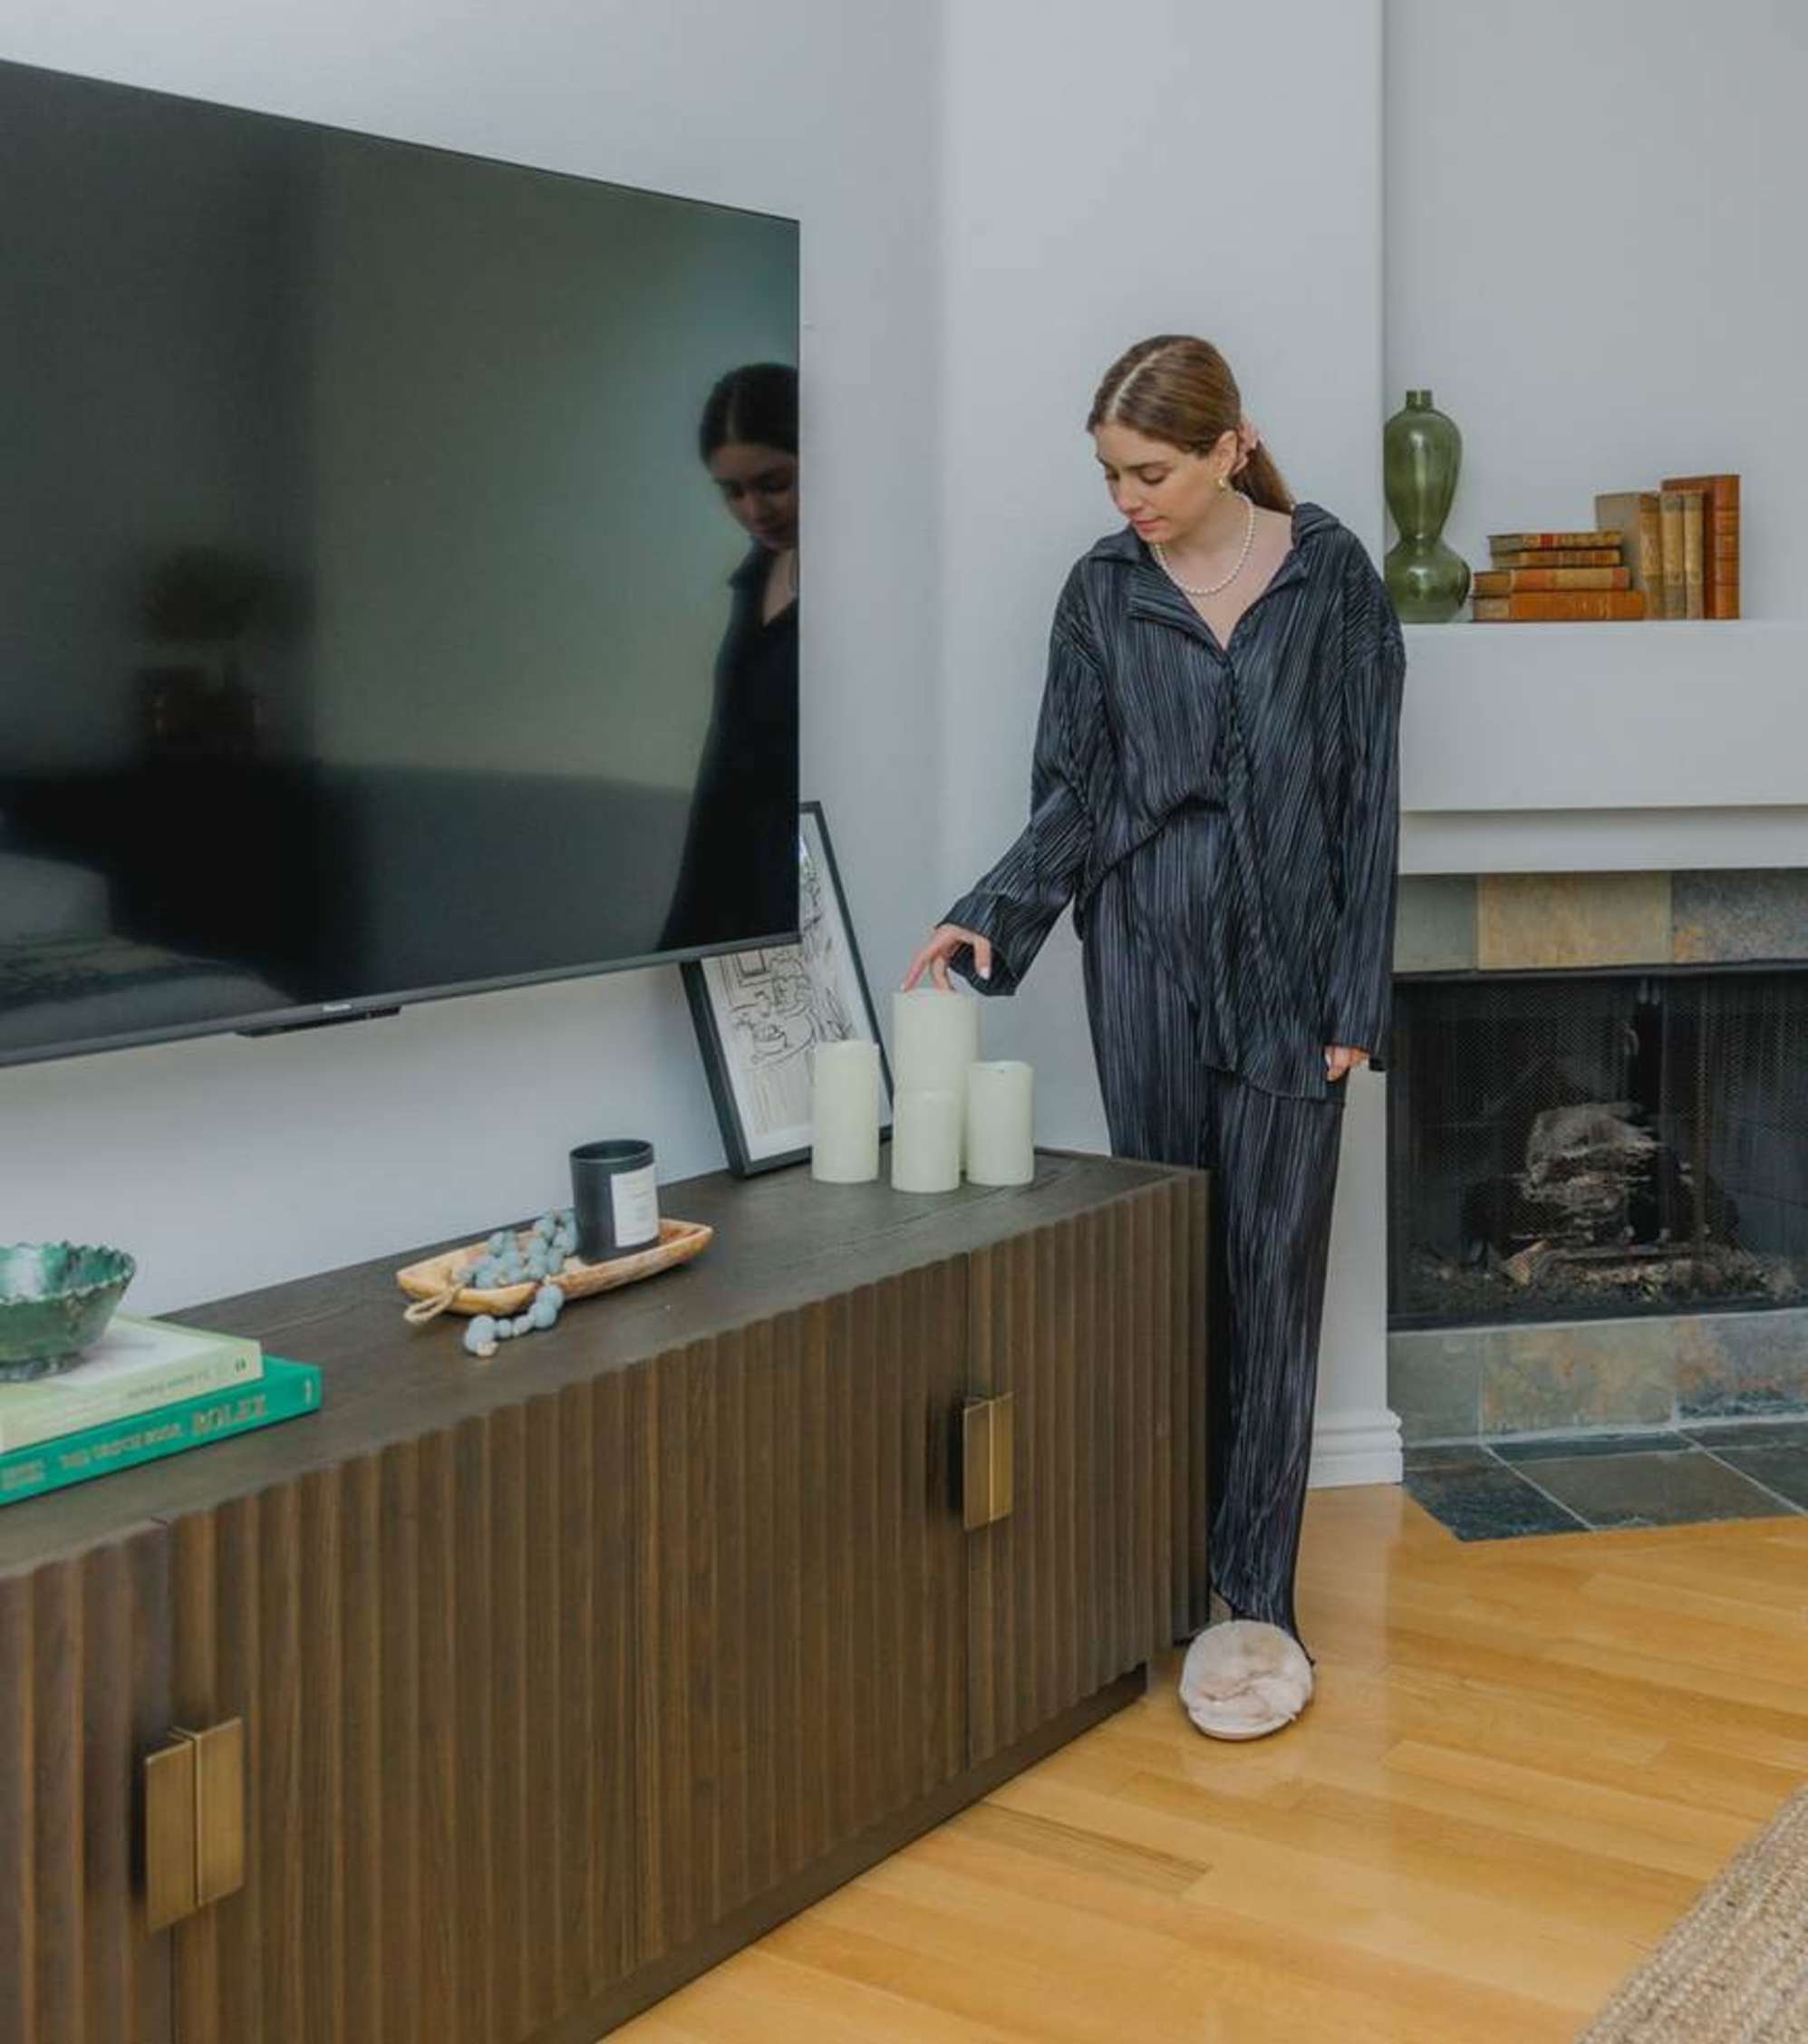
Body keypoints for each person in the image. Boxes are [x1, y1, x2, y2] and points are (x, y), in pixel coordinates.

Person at [903, 334, 1406, 1738]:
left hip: (1296, 982)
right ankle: (1172, 1589)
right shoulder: (1100, 593)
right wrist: (986, 914)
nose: (1128, 498)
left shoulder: (1331, 576)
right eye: (1111, 474)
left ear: (1228, 448)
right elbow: (1073, 788)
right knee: (1174, 1279)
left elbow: (1366, 800)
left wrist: (1353, 1006)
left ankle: (1256, 1609)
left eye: (1151, 470)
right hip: (1144, 966)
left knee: (1270, 1292)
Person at [659, 362, 799, 954]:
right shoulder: (754, 578)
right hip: (734, 893)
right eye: (732, 492)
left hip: (804, 893)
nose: (752, 511)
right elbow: (724, 769)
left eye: (772, 483)